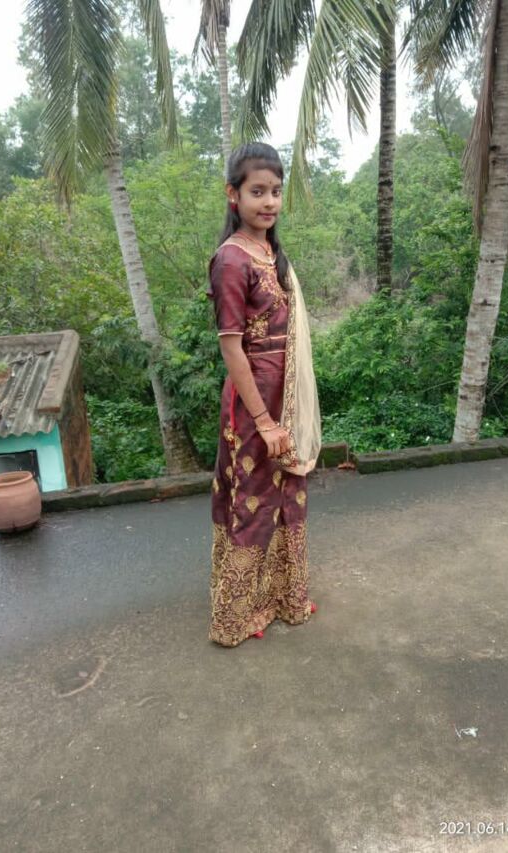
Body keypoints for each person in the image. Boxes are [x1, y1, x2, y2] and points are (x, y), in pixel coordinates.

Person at [206, 142, 322, 647]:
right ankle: (235, 616)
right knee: (253, 500)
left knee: (288, 493)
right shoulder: (232, 260)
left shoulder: (272, 253)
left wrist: (285, 413)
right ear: (233, 195)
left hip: (285, 395)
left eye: (275, 191)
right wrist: (265, 421)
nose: (269, 201)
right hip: (255, 402)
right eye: (257, 191)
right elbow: (232, 348)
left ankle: (281, 597)